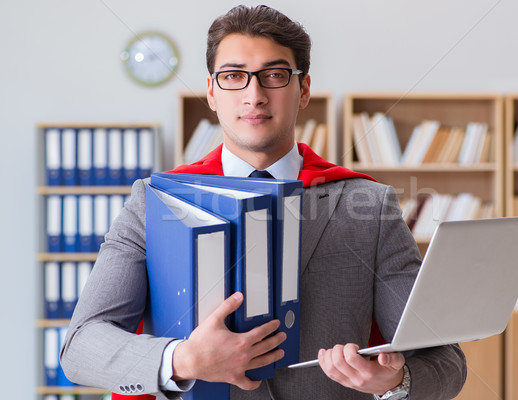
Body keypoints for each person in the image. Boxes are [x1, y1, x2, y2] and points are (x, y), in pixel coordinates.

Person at [61, 5, 467, 400]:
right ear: (211, 93)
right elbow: (81, 347)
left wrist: (391, 382)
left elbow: (445, 360)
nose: (254, 96)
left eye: (274, 75)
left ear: (303, 89)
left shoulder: (369, 206)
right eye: (234, 76)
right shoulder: (154, 203)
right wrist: (182, 359)